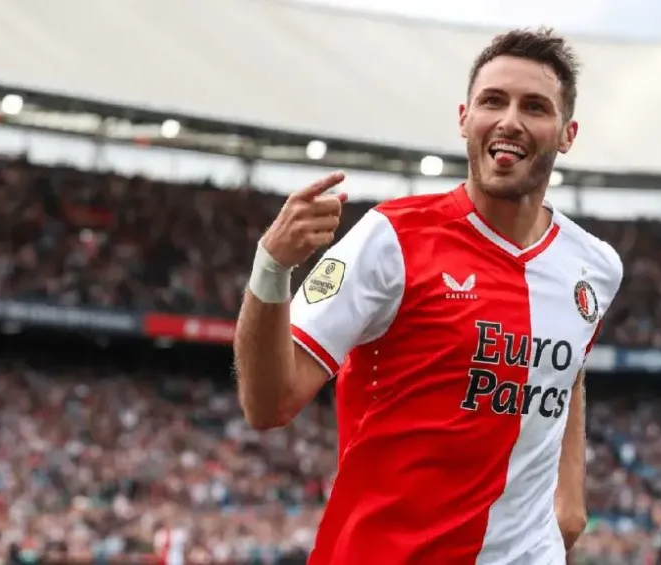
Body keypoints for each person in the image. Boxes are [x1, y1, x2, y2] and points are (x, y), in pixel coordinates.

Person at [234, 28, 623, 565]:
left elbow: (567, 364)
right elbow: (268, 403)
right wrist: (272, 267)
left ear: (566, 133)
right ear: (465, 118)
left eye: (534, 107)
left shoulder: (595, 267)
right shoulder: (390, 240)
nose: (510, 120)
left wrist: (570, 496)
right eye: (493, 101)